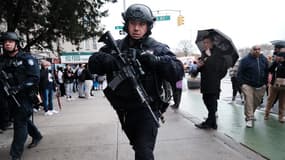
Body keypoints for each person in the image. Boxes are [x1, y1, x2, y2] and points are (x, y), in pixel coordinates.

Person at [88, 4, 184, 160]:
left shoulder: (157, 48)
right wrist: (104, 60)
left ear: (148, 26)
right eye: (133, 23)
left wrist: (157, 61)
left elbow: (178, 71)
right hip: (124, 112)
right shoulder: (115, 47)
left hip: (148, 109)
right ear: (127, 24)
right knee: (137, 145)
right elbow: (92, 67)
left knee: (144, 152)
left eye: (141, 24)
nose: (137, 28)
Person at [0, 32, 43, 160]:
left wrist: (18, 88)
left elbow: (35, 78)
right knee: (21, 119)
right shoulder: (2, 60)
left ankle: (15, 155)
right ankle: (37, 135)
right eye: (5, 42)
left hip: (24, 97)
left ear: (17, 44)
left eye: (10, 41)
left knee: (20, 124)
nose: (7, 44)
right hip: (8, 98)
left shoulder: (26, 58)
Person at [193, 35, 228, 130]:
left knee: (212, 102)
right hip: (205, 82)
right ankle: (212, 122)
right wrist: (199, 66)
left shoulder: (218, 54)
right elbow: (195, 72)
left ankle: (210, 123)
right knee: (206, 100)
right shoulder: (203, 54)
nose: (205, 44)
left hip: (214, 82)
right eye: (204, 42)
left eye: (207, 42)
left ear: (212, 43)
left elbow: (221, 69)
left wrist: (210, 57)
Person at [237, 45, 268, 128]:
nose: (257, 51)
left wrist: (265, 83)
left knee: (256, 102)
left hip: (260, 85)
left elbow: (266, 71)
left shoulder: (263, 59)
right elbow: (239, 73)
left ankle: (251, 113)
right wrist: (241, 84)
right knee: (249, 100)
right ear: (251, 50)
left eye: (259, 49)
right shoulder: (245, 60)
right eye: (255, 49)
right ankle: (249, 118)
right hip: (247, 84)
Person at [264, 47, 285, 123]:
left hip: (283, 86)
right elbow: (270, 70)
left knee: (282, 102)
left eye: (281, 56)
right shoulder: (276, 63)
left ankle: (281, 117)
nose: (280, 58)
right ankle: (266, 114)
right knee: (270, 100)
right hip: (274, 85)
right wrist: (275, 62)